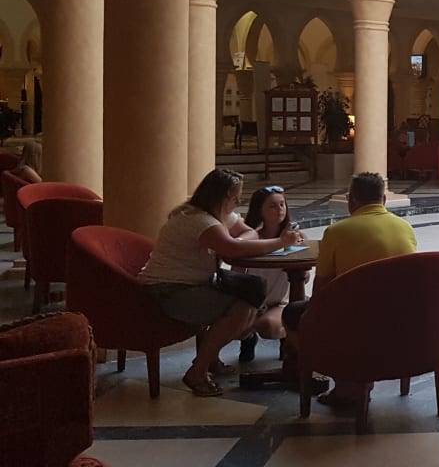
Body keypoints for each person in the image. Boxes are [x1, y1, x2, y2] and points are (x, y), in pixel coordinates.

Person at [138, 169, 303, 397]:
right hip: (169, 290)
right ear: (221, 197)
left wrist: (237, 241)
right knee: (242, 308)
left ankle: (211, 358)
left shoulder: (218, 216)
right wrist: (280, 243)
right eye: (234, 197)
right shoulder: (198, 220)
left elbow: (248, 233)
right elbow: (232, 250)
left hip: (194, 284)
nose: (237, 202)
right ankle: (198, 371)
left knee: (250, 297)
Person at [282, 172, 417, 408]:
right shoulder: (405, 228)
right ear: (384, 199)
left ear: (351, 200)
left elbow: (321, 290)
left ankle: (343, 380)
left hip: (354, 321)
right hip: (400, 319)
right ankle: (358, 379)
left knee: (293, 313)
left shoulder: (337, 232)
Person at [236, 186, 297, 363]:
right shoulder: (252, 238)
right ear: (259, 210)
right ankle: (248, 338)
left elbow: (304, 276)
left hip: (280, 301)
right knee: (232, 327)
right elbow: (237, 273)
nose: (279, 209)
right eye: (272, 206)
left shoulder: (296, 237)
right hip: (253, 301)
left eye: (282, 204)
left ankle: (287, 340)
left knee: (267, 325)